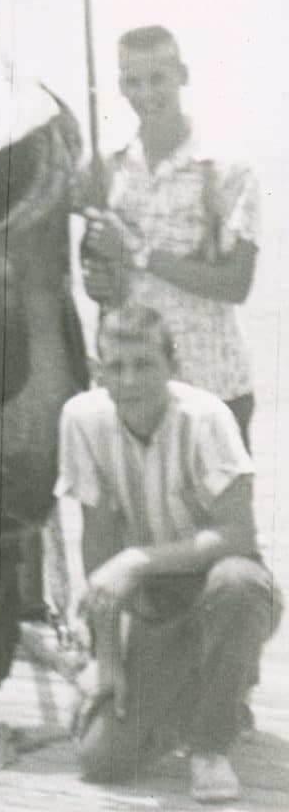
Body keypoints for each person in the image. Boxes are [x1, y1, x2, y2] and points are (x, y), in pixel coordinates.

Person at [55, 303, 281, 803]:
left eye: (144, 364)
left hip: (223, 585)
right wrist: (108, 658)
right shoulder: (81, 419)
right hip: (153, 603)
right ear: (98, 370)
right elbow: (97, 544)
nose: (129, 380)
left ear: (172, 366)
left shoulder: (207, 417)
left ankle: (210, 744)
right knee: (102, 761)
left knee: (238, 585)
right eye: (115, 366)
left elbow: (238, 534)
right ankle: (208, 685)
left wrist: (137, 560)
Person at [81, 26, 259, 449]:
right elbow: (101, 273)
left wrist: (138, 252)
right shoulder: (108, 169)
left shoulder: (227, 168)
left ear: (183, 75)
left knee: (221, 518)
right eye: (133, 80)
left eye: (158, 77)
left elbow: (236, 284)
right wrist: (98, 279)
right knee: (138, 516)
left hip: (213, 390)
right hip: (133, 392)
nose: (145, 92)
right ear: (121, 85)